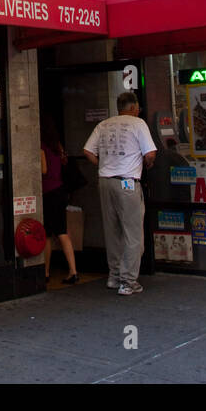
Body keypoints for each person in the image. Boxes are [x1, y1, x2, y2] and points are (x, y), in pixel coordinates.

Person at [83, 92, 156, 296]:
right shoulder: (138, 123)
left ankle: (114, 276)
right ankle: (128, 281)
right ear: (133, 108)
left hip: (105, 181)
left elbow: (88, 151)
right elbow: (150, 154)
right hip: (127, 182)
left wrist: (103, 166)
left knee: (112, 231)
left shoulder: (104, 125)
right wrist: (147, 163)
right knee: (133, 234)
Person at [40, 116, 79, 285]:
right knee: (62, 231)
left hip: (48, 191)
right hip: (60, 190)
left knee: (47, 234)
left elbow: (43, 169)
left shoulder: (41, 147)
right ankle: (73, 270)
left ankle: (46, 271)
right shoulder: (58, 146)